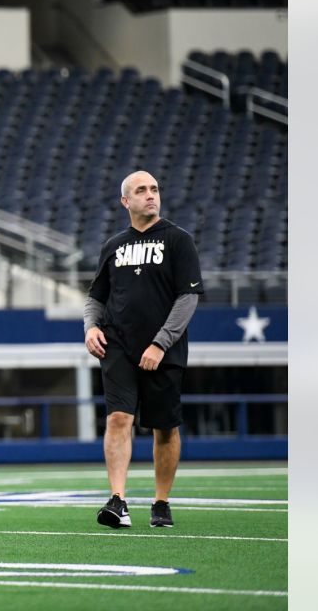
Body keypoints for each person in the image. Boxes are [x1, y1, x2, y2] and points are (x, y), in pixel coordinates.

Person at [85, 170, 203, 529]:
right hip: (117, 344)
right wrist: (90, 326)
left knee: (164, 427)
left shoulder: (178, 240)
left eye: (154, 189)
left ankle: (161, 501)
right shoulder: (114, 245)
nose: (151, 195)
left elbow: (188, 297)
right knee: (118, 417)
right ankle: (118, 500)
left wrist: (160, 343)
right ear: (126, 201)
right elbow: (95, 297)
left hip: (163, 350)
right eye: (141, 190)